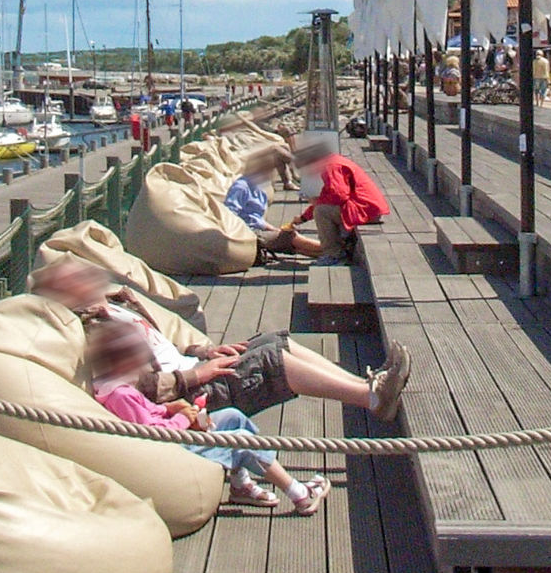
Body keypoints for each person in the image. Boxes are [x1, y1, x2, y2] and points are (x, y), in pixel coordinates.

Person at [34, 257, 411, 419]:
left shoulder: (117, 303)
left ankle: (368, 385)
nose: (88, 276)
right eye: (75, 280)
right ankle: (371, 398)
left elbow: (160, 345)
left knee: (273, 340)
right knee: (270, 364)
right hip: (186, 396)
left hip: (192, 366)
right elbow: (142, 387)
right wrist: (200, 373)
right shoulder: (97, 328)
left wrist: (205, 351)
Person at [87, 319, 331, 514]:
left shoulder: (119, 386)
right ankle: (298, 494)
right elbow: (154, 434)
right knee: (240, 439)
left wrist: (170, 409)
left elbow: (147, 415)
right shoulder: (119, 395)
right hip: (172, 447)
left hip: (174, 431)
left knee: (231, 416)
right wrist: (183, 417)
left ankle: (240, 485)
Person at [275, 131, 389, 264]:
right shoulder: (332, 160)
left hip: (365, 210)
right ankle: (340, 246)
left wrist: (314, 203)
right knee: (323, 209)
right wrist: (304, 217)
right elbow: (331, 198)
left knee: (321, 212)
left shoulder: (330, 166)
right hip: (367, 208)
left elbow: (339, 196)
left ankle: (334, 255)